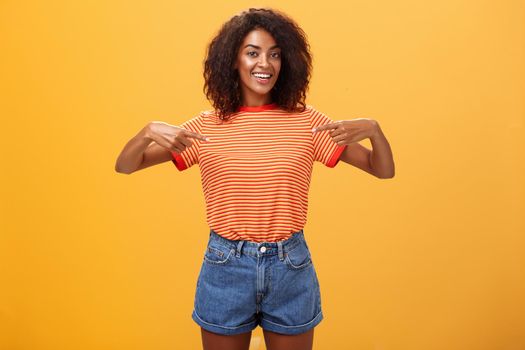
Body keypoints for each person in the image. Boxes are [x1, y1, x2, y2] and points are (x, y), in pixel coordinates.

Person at [115, 7, 394, 350]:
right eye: (253, 53)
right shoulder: (206, 126)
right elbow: (126, 165)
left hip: (290, 265)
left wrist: (375, 131)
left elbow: (382, 170)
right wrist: (146, 132)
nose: (265, 63)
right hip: (226, 265)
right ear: (233, 61)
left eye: (274, 54)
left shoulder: (306, 122)